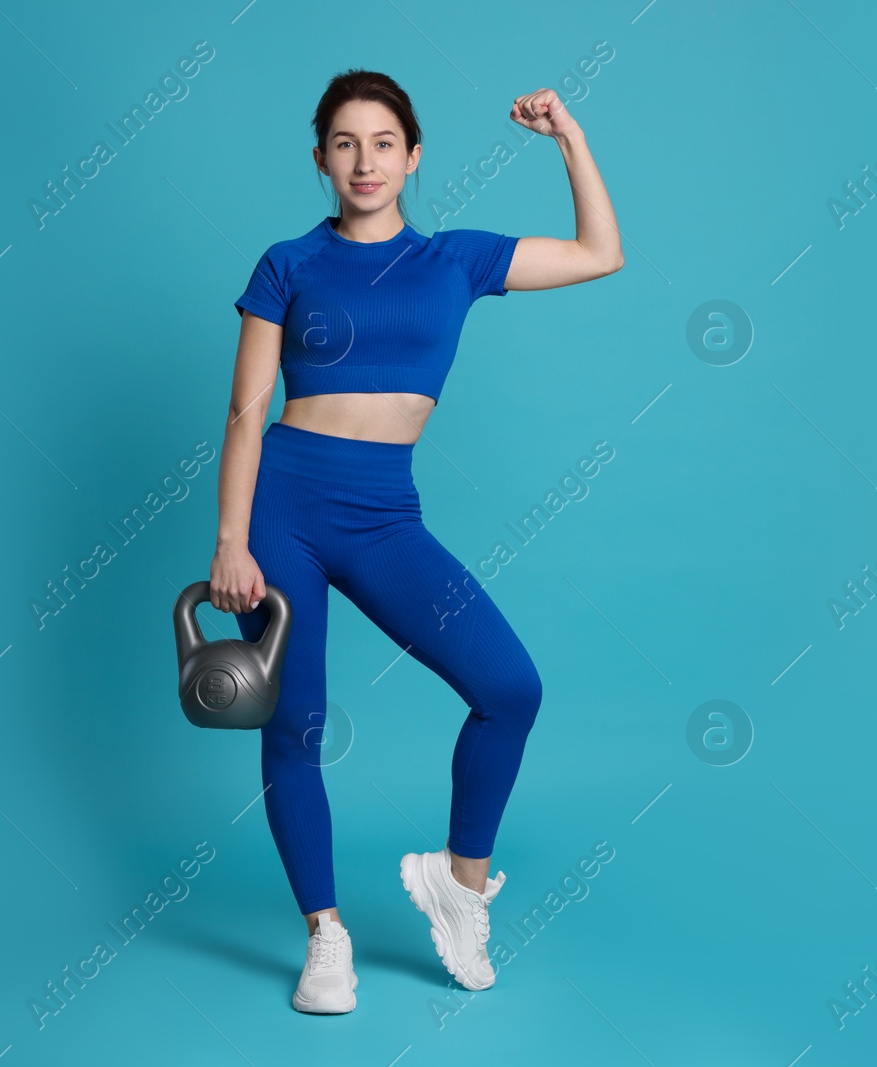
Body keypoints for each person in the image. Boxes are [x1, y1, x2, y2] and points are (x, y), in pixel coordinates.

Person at [209, 68, 622, 1014]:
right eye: (345, 144)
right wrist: (231, 539)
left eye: (383, 142)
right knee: (295, 726)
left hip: (386, 513)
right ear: (321, 159)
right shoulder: (287, 263)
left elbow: (603, 251)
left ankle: (460, 887)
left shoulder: (457, 260)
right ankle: (325, 937)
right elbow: (244, 410)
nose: (365, 161)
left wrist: (569, 138)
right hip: (287, 507)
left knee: (509, 687)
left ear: (414, 155)